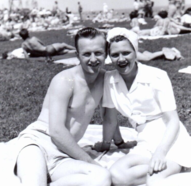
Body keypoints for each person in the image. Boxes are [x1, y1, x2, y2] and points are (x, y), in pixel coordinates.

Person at [11, 27, 112, 186]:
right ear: (77, 54)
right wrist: (87, 160)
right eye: (86, 54)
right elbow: (56, 131)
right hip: (38, 142)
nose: (93, 59)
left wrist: (114, 143)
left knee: (102, 177)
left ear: (106, 53)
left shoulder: (104, 79)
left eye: (98, 53)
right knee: (34, 182)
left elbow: (109, 115)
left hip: (64, 153)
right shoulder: (65, 80)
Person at [94, 27, 191, 186]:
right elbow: (110, 119)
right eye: (115, 54)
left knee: (154, 181)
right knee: (117, 175)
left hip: (168, 136)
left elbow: (173, 120)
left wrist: (161, 152)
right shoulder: (109, 80)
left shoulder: (157, 76)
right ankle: (173, 168)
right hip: (144, 140)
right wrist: (107, 144)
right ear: (109, 57)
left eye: (126, 53)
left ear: (135, 53)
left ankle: (175, 163)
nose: (121, 59)